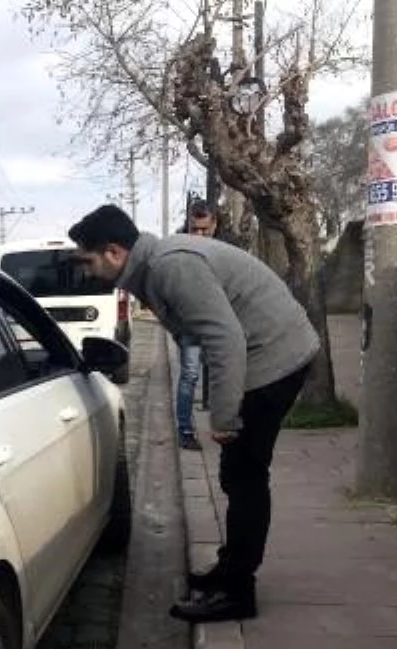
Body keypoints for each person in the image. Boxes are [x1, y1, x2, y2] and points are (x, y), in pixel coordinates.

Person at [68, 204, 319, 623]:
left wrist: (223, 417)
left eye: (90, 260)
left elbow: (226, 339)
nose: (89, 271)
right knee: (237, 474)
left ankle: (238, 591)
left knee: (244, 476)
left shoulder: (170, 267)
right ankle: (230, 570)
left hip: (275, 357)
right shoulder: (153, 268)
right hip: (269, 351)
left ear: (114, 252)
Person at [174, 199, 225, 451]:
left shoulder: (223, 250)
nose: (201, 234)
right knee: (190, 375)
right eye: (196, 229)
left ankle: (223, 425)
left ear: (214, 224)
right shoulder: (177, 248)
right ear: (189, 224)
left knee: (220, 375)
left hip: (218, 323)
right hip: (190, 325)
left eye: (205, 229)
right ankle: (184, 429)